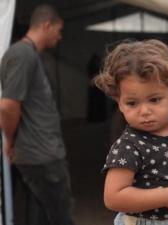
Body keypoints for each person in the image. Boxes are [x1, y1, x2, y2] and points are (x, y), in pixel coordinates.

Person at [94, 39, 168, 225]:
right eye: (132, 103)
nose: (144, 111)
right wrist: (166, 197)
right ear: (119, 102)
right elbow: (113, 197)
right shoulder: (129, 146)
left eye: (154, 100)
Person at [0, 4, 74, 225]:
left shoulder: (29, 55)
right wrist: (10, 141)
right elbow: (7, 106)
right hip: (41, 154)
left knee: (43, 212)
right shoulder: (23, 54)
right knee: (60, 214)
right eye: (58, 30)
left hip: (41, 152)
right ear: (46, 25)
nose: (59, 37)